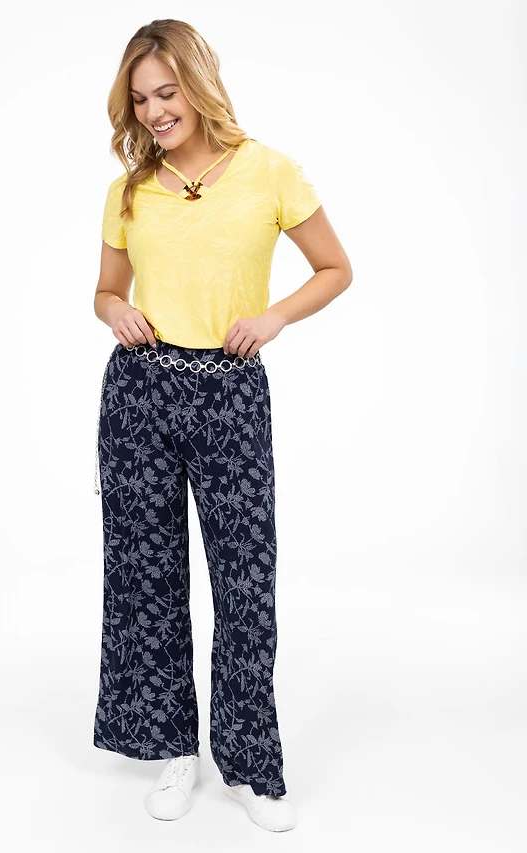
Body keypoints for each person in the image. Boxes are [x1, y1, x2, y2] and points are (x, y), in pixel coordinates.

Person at [92, 18, 352, 832]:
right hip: (140, 390)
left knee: (244, 581)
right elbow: (105, 290)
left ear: (199, 84)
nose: (154, 111)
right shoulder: (131, 189)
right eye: (140, 99)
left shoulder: (270, 171)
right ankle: (172, 746)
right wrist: (114, 312)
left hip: (230, 390)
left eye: (166, 92)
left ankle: (247, 759)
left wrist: (274, 318)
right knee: (146, 576)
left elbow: (336, 268)